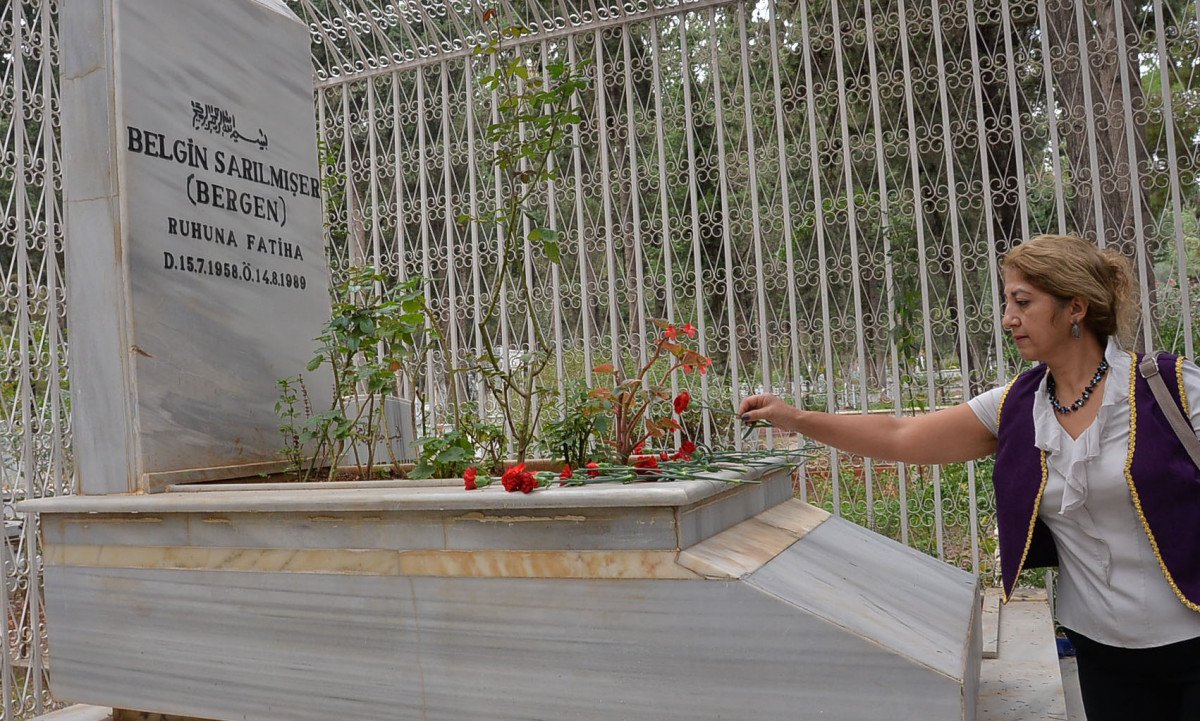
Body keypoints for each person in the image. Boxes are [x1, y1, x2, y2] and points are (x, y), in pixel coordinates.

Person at [738, 234, 1200, 721]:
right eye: (1007, 303)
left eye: (1023, 302)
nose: (1008, 319)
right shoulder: (1017, 407)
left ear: (1075, 308)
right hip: (1102, 651)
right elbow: (901, 435)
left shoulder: (1171, 388)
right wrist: (795, 418)